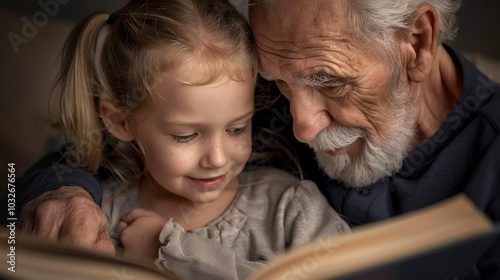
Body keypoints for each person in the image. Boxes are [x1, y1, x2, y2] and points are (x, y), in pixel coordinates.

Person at [18, 0, 499, 278]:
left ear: (416, 42)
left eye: (328, 82)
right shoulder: (251, 95)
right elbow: (77, 157)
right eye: (280, 85)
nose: (301, 126)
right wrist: (60, 193)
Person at [17, 0, 350, 279]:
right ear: (119, 121)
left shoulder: (290, 209)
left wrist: (172, 250)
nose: (217, 158)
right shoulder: (95, 224)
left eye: (237, 128)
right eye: (186, 135)